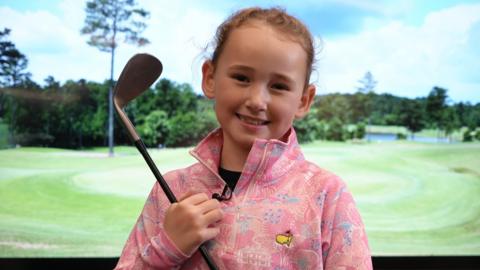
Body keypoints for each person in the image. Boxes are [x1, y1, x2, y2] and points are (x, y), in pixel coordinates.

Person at [116, 6, 372, 269]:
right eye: (241, 78)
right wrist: (166, 249)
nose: (256, 101)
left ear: (304, 100)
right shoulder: (170, 191)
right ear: (210, 78)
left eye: (279, 86)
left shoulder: (327, 196)